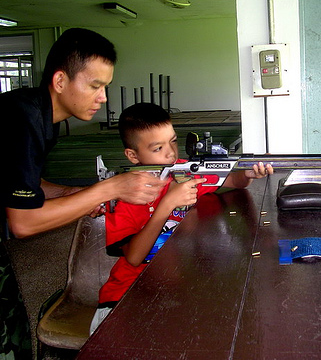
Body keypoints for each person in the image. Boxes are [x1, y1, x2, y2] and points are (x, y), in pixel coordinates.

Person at [0, 28, 165, 358]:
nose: (103, 97)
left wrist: (73, 193)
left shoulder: (39, 115)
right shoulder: (23, 119)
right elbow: (23, 222)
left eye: (105, 86)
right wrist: (107, 189)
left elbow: (22, 182)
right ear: (61, 81)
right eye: (94, 86)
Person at [90, 103, 273, 334]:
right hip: (125, 296)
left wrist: (247, 173)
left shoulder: (183, 171)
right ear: (133, 156)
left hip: (174, 289)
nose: (170, 153)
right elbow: (135, 258)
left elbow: (232, 181)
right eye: (157, 148)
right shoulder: (125, 195)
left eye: (173, 141)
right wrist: (168, 203)